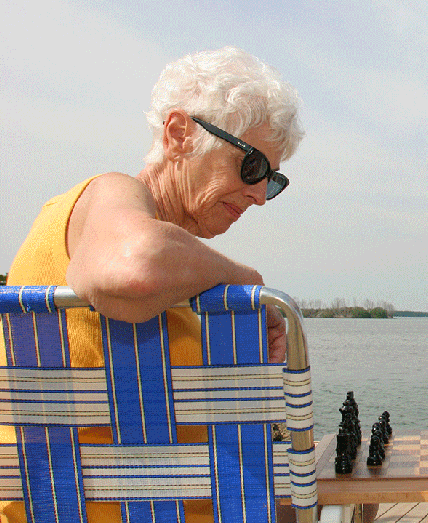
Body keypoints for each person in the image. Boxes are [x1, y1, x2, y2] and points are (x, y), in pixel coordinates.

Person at [1, 46, 302, 523]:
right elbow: (132, 266)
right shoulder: (111, 195)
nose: (260, 196)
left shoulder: (181, 273)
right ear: (180, 134)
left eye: (273, 181)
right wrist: (245, 279)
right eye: (251, 167)